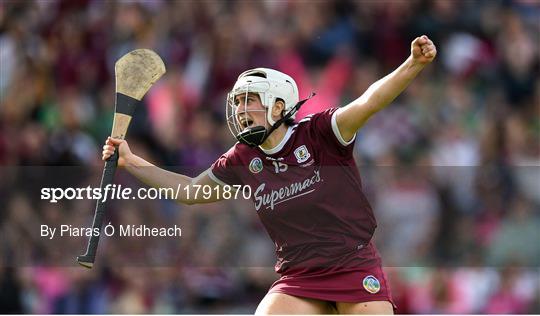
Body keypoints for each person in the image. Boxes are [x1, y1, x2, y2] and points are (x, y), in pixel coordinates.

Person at [102, 35, 437, 314]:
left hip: (354, 265)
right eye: (238, 103)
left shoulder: (320, 132)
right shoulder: (244, 157)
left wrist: (412, 65)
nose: (241, 111)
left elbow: (369, 103)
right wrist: (131, 161)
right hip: (299, 276)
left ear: (279, 106)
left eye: (251, 102)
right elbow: (190, 191)